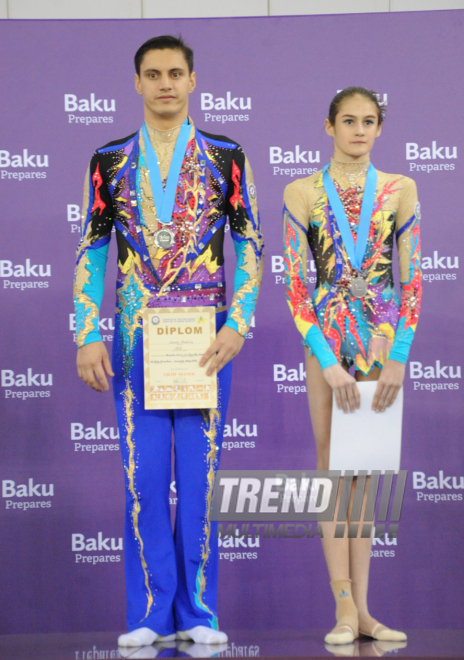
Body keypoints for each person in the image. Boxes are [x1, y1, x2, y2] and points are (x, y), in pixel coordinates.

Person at [74, 35, 264, 648]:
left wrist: (239, 321)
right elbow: (91, 250)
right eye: (152, 74)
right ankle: (151, 613)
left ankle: (199, 612)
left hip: (207, 339)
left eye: (175, 73)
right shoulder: (107, 159)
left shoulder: (227, 154)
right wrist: (85, 331)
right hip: (134, 341)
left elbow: (252, 244)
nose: (164, 83)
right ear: (136, 83)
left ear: (192, 80)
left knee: (202, 478)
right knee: (144, 478)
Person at [283, 87, 421, 645]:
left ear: (380, 128)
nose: (358, 130)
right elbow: (295, 286)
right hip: (325, 338)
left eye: (368, 121)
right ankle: (341, 605)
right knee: (332, 471)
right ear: (329, 126)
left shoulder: (400, 189)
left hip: (381, 340)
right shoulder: (301, 191)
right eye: (348, 120)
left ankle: (364, 611)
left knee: (365, 475)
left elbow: (410, 283)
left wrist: (398, 357)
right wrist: (326, 361)